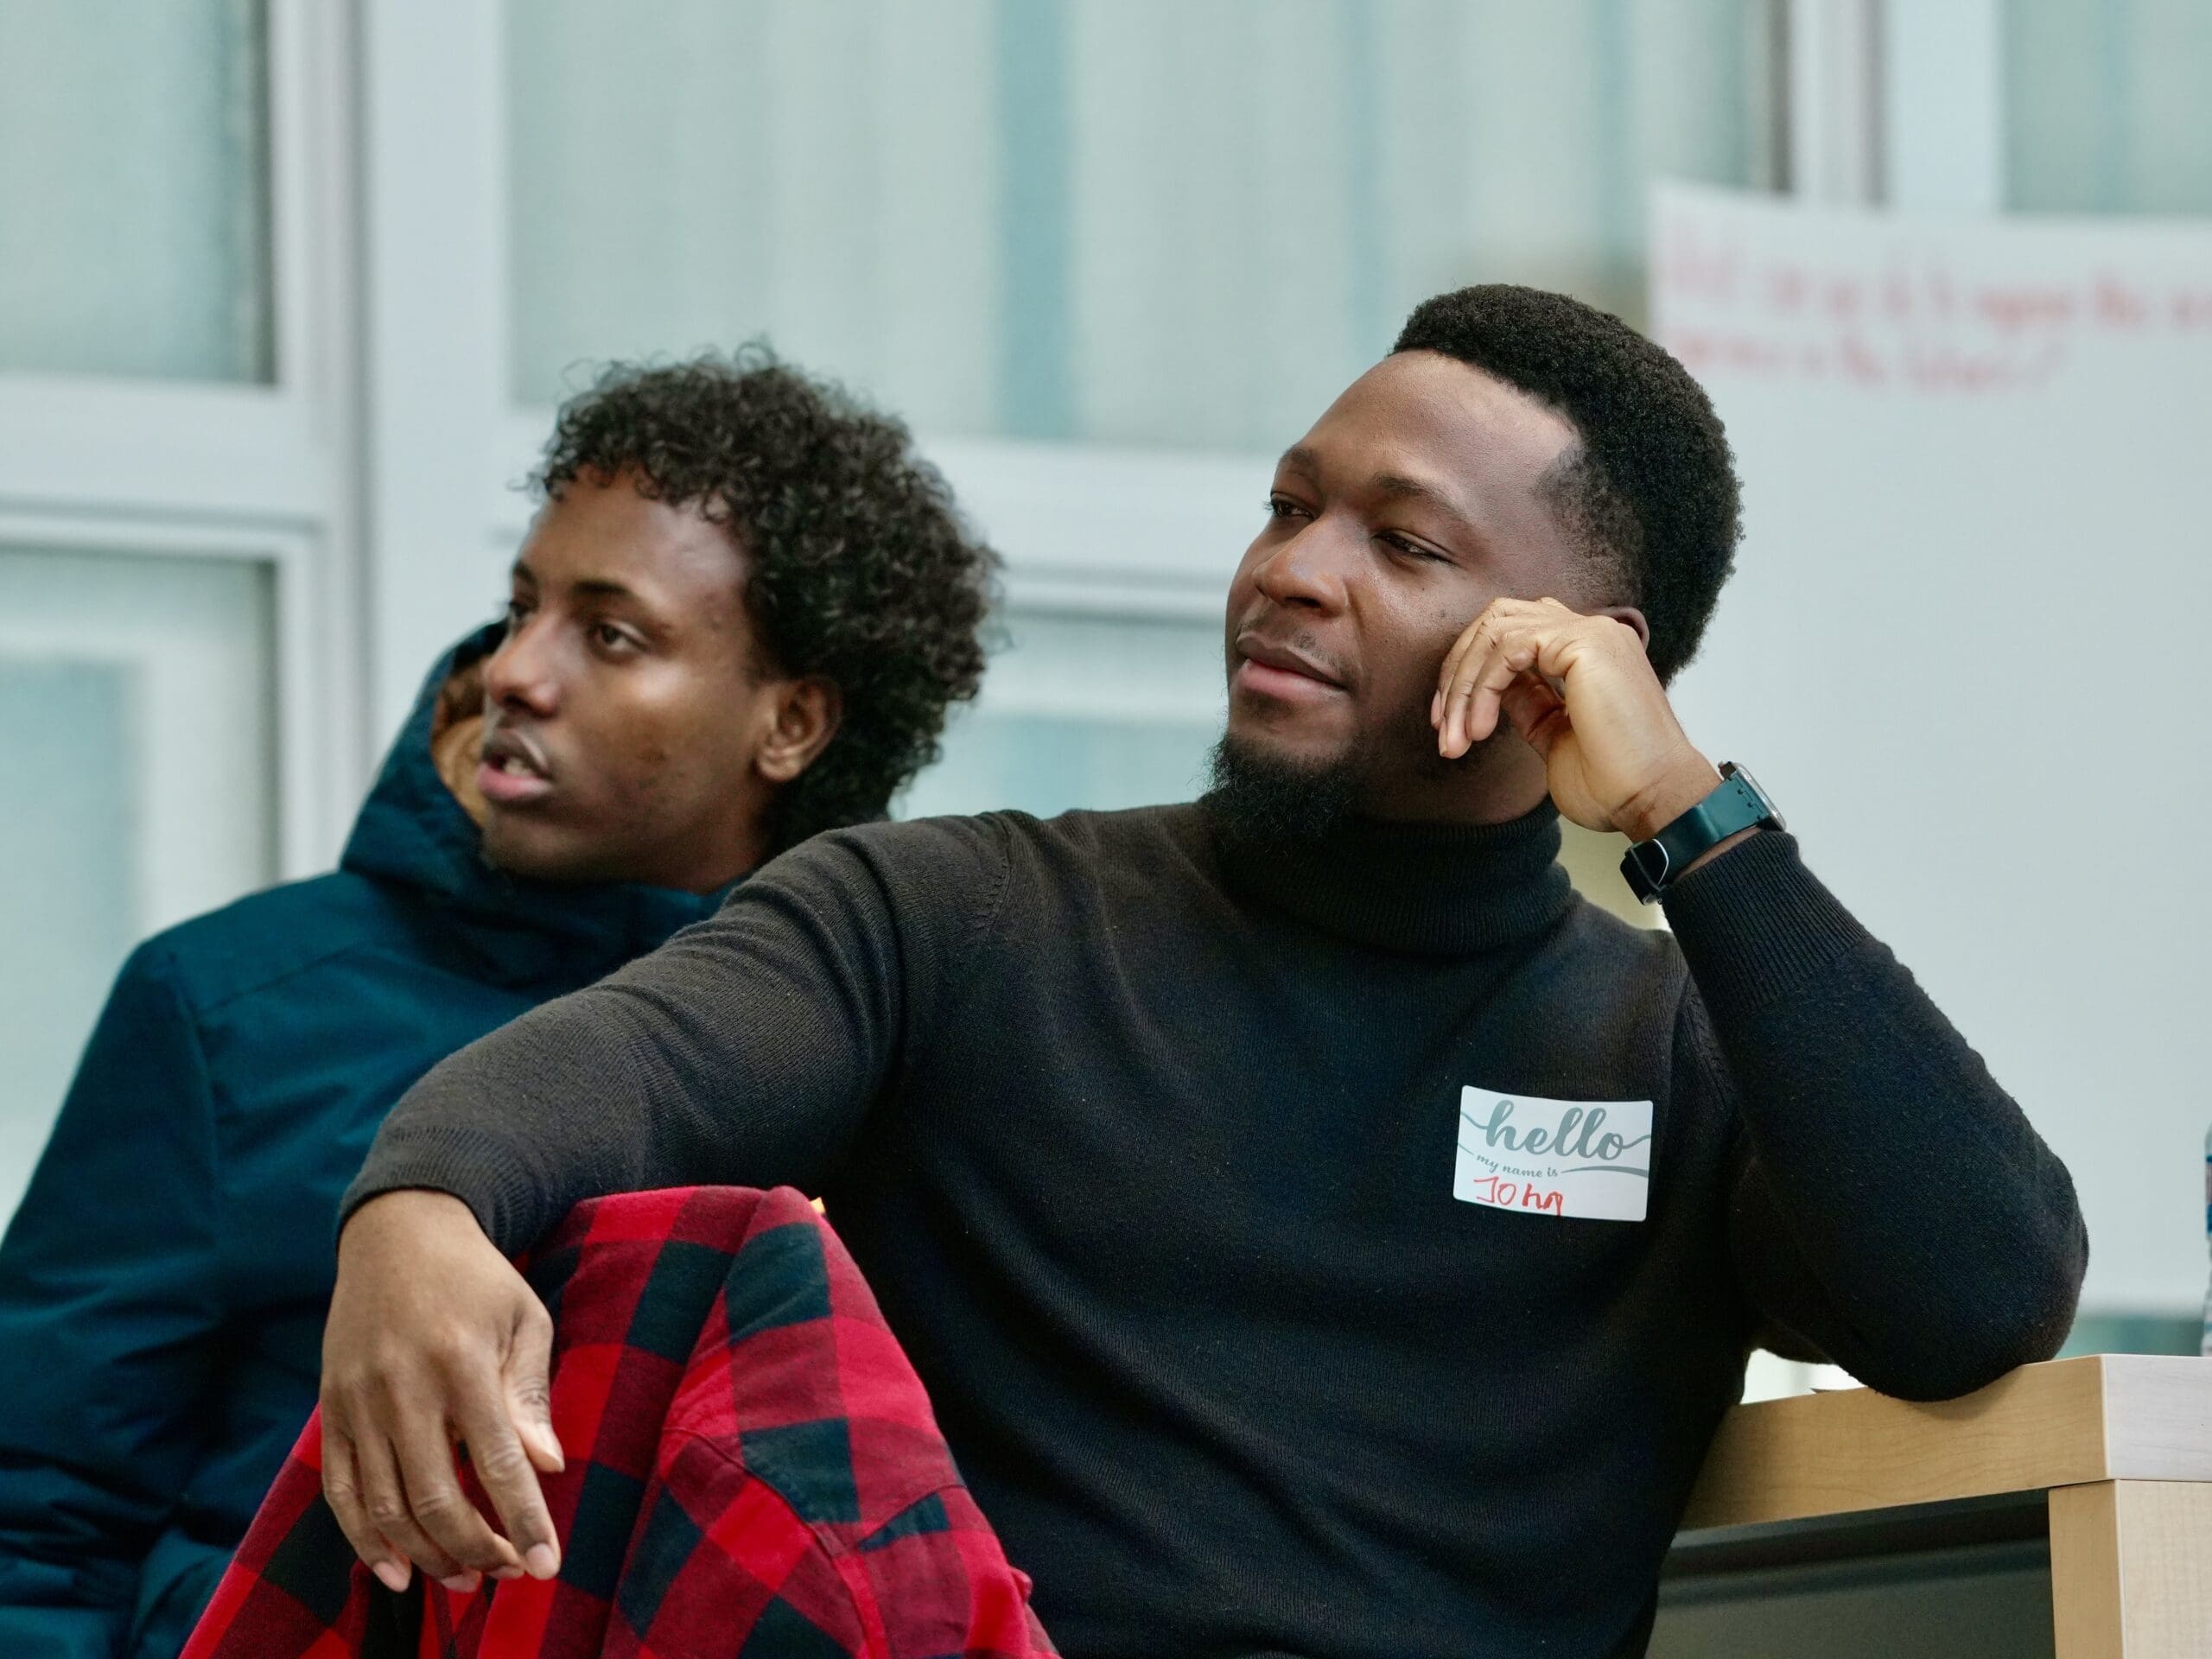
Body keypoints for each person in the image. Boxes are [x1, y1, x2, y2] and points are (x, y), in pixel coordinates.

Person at [321, 288, 2088, 1659]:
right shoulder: (960, 916)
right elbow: (619, 1069)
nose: (1288, 573)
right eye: (1285, 505)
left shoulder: (1663, 1046)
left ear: (1575, 656)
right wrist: (421, 1206)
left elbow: (1978, 1288)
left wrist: (1686, 819)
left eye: (1397, 545)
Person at [0, 347, 996, 1659]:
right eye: (522, 606)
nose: (517, 672)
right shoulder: (232, 1007)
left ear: (792, 725)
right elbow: (34, 1524)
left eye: (611, 633)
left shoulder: (910, 1061)